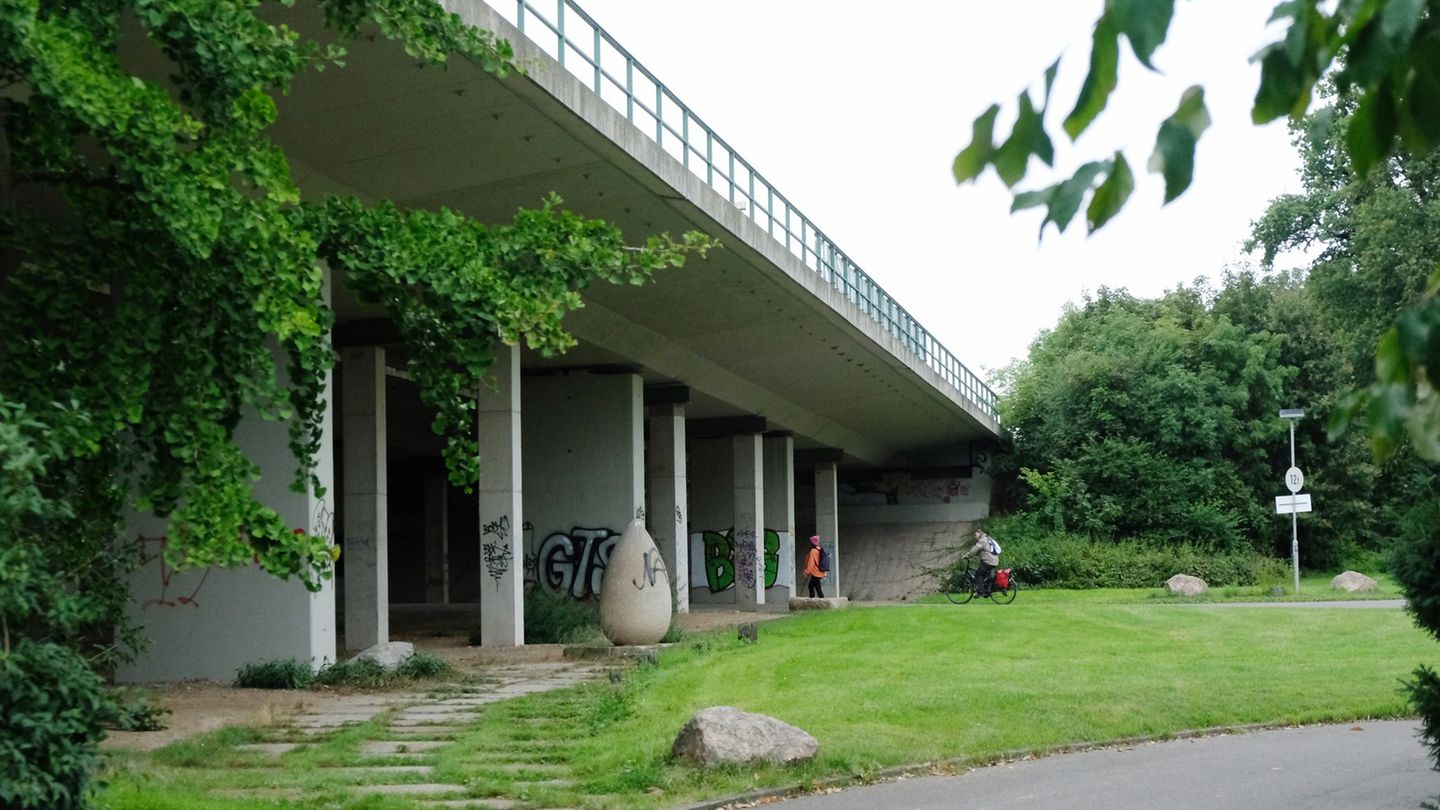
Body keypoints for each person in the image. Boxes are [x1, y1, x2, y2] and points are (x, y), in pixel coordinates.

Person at [959, 528, 1000, 596]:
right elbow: (982, 550)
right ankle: (987, 591)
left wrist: (967, 555)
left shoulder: (982, 540)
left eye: (976, 535)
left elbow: (975, 548)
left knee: (978, 575)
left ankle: (980, 592)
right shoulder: (987, 538)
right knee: (984, 576)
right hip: (994, 560)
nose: (975, 536)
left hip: (989, 561)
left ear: (979, 533)